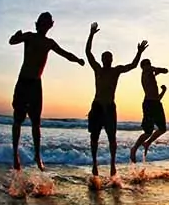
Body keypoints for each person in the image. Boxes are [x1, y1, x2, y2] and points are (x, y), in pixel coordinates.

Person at [9, 12, 85, 171]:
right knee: (18, 120)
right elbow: (12, 41)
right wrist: (16, 36)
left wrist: (77, 59)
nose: (43, 26)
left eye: (47, 23)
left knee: (36, 123)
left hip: (36, 85)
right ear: (37, 24)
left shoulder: (49, 43)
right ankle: (15, 154)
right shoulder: (29, 36)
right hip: (23, 82)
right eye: (41, 23)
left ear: (50, 26)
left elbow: (65, 54)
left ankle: (37, 155)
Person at [85, 21, 148, 176]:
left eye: (109, 57)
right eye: (105, 57)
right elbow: (88, 52)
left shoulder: (116, 71)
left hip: (110, 107)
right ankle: (95, 165)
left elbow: (133, 65)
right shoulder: (98, 69)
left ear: (112, 59)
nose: (107, 59)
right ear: (102, 59)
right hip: (97, 106)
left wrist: (139, 52)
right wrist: (91, 35)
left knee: (112, 138)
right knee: (94, 137)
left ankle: (113, 165)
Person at [130, 59, 168, 163]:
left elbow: (156, 98)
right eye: (148, 65)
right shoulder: (145, 72)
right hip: (149, 104)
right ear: (144, 66)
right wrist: (160, 70)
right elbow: (160, 70)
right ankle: (134, 148)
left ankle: (147, 143)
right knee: (148, 132)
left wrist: (163, 91)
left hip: (156, 104)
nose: (149, 66)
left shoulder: (151, 77)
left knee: (162, 128)